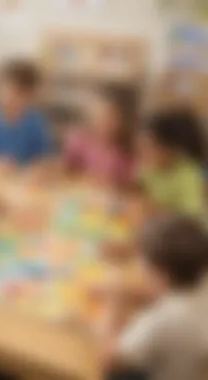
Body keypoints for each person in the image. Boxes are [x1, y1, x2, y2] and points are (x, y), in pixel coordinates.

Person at [102, 215, 208, 380]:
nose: (139, 267)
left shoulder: (160, 321)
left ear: (162, 275)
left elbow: (108, 359)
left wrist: (113, 304)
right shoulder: (201, 284)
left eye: (143, 263)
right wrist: (128, 294)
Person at [0, 60, 52, 165]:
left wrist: (40, 167)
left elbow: (45, 158)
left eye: (20, 94)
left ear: (31, 96)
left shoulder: (36, 122)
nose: (11, 98)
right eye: (7, 90)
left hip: (24, 178)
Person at [63, 84, 137, 185]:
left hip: (111, 197)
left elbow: (132, 185)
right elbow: (66, 169)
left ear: (125, 122)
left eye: (111, 117)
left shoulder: (128, 151)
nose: (103, 121)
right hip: (80, 193)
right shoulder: (80, 139)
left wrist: (114, 183)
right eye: (99, 114)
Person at [137, 108, 206, 216]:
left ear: (171, 148)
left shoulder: (189, 175)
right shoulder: (149, 168)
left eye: (149, 148)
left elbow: (191, 217)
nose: (144, 154)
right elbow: (139, 191)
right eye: (142, 147)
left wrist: (157, 210)